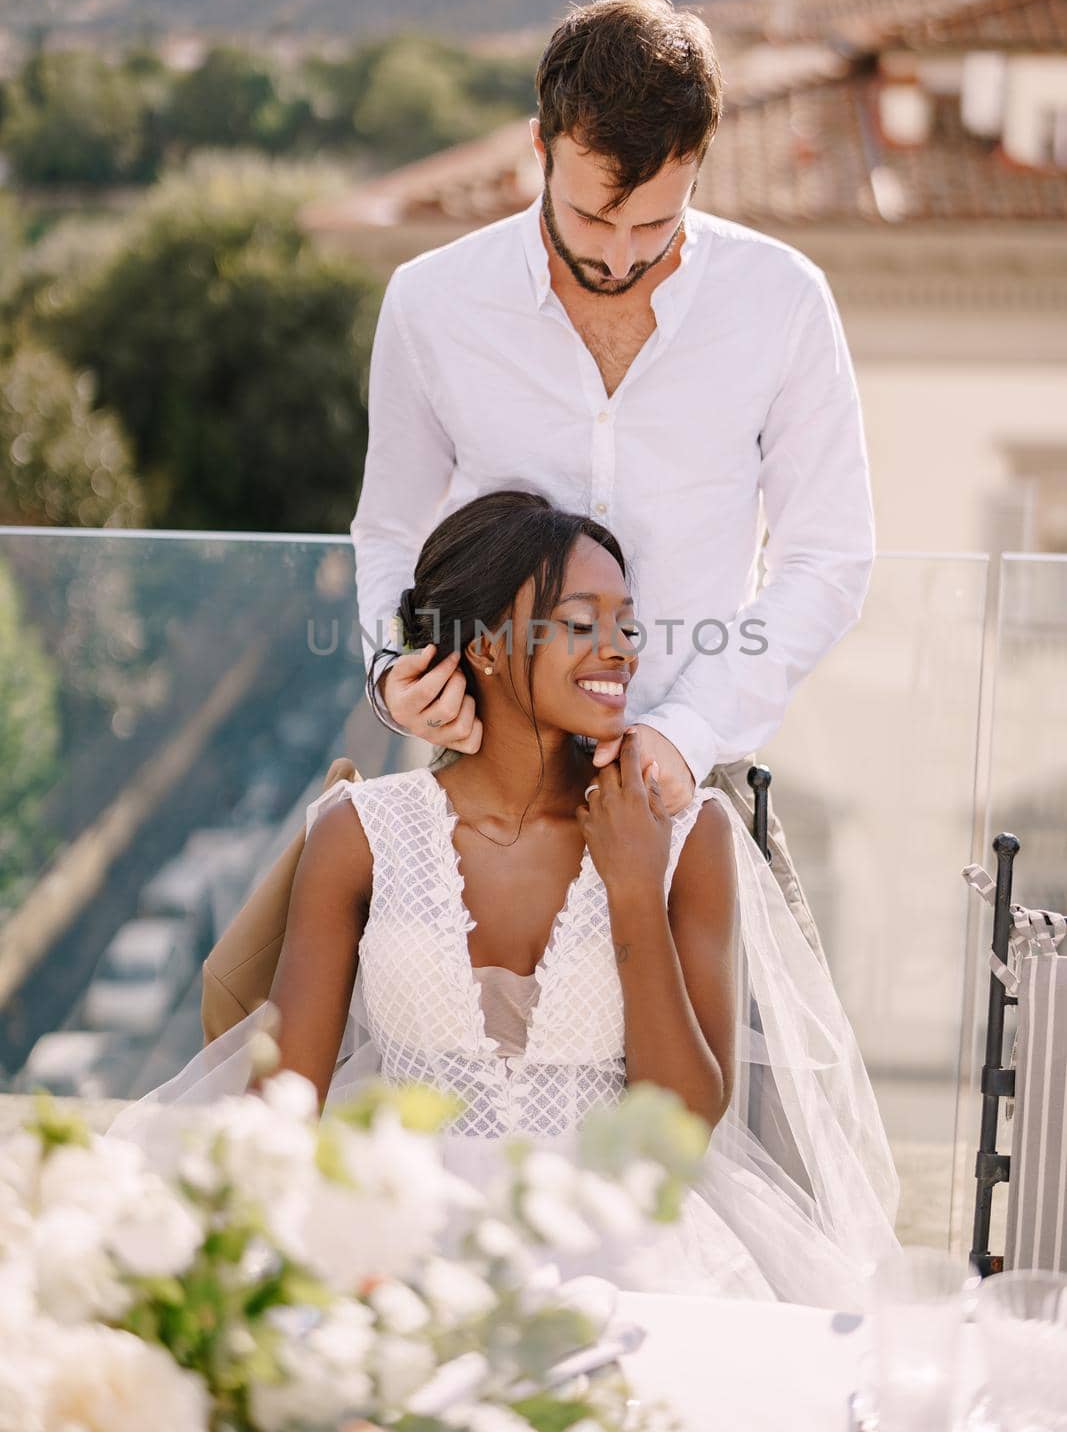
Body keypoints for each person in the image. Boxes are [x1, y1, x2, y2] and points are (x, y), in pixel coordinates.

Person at [111, 491, 899, 1307]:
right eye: (581, 621)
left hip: (619, 1259)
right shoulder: (360, 831)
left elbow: (683, 1127)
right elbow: (284, 1106)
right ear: (484, 646)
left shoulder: (685, 836)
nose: (620, 649)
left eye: (626, 623)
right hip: (392, 1244)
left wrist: (632, 886)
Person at [352, 0, 877, 972]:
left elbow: (828, 558)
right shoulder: (429, 302)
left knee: (743, 1108)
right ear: (538, 145)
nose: (619, 254)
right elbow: (388, 529)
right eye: (594, 212)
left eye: (654, 221)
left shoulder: (781, 303)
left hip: (694, 782)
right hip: (484, 784)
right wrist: (395, 667)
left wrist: (682, 733)